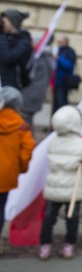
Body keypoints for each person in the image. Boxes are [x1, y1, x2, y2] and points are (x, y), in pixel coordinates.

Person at [39, 106, 82, 260]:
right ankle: (68, 247)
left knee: (49, 218)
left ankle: (45, 247)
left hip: (54, 186)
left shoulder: (53, 142)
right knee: (72, 218)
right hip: (73, 187)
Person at [0, 87, 35, 251]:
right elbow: (26, 152)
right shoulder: (22, 126)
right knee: (0, 209)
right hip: (6, 176)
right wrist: (20, 169)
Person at [21, 36, 54, 128]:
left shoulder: (39, 58)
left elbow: (30, 74)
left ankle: (28, 141)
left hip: (30, 94)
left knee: (25, 121)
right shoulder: (48, 58)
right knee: (28, 120)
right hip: (38, 94)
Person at [0, 9, 33, 90]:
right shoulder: (5, 38)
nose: (2, 25)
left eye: (4, 22)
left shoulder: (24, 42)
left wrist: (2, 35)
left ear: (13, 23)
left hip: (11, 87)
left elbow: (8, 57)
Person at [52, 36, 77, 113]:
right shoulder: (58, 50)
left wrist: (59, 59)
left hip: (63, 82)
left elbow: (68, 65)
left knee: (61, 103)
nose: (59, 43)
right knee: (55, 103)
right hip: (56, 81)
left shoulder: (70, 52)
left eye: (61, 41)